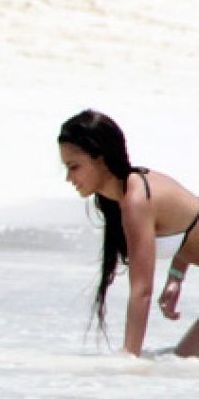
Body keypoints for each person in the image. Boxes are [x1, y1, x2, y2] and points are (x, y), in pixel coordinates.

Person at [59, 109, 199, 357]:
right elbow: (187, 225)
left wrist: (129, 358)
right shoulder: (122, 198)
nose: (68, 178)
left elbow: (142, 291)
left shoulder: (137, 199)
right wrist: (176, 276)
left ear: (100, 160)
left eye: (74, 167)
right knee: (181, 363)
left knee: (183, 363)